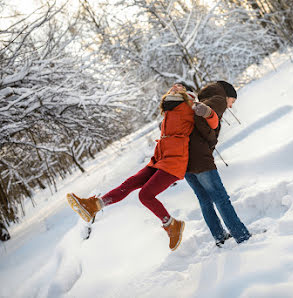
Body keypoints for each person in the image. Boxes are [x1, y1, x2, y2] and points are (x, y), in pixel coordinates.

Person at [67, 82, 218, 251]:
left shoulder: (191, 104)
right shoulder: (171, 106)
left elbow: (213, 122)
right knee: (130, 183)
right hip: (161, 158)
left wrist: (208, 112)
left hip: (175, 162)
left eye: (179, 86)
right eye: (173, 86)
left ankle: (172, 225)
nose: (174, 88)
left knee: (145, 195)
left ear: (187, 91)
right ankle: (94, 205)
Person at [185, 81, 251, 247]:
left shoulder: (204, 100)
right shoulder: (219, 99)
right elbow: (199, 119)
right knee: (221, 198)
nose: (229, 106)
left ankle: (220, 237)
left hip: (184, 159)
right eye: (232, 102)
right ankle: (241, 235)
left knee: (205, 199)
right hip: (200, 159)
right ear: (228, 95)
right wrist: (211, 138)